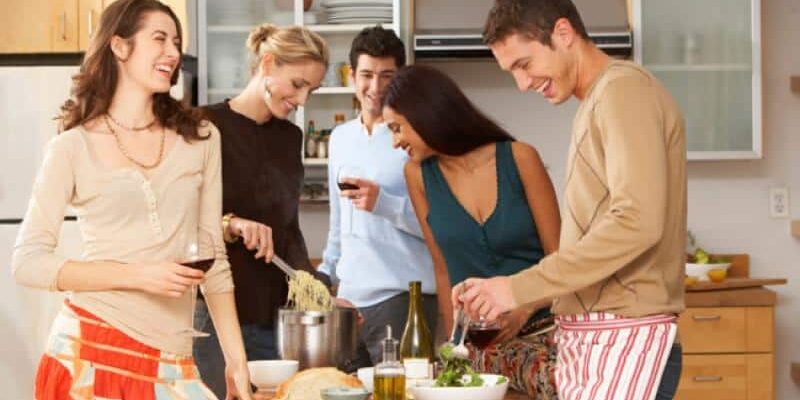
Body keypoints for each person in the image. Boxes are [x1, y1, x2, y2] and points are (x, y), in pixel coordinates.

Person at [11, 0, 253, 398]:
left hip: (173, 359)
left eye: (176, 42)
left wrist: (236, 361)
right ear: (120, 47)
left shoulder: (201, 138)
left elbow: (213, 256)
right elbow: (28, 262)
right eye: (159, 38)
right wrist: (140, 274)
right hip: (90, 353)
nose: (173, 53)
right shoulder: (72, 147)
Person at [455, 1, 687, 399]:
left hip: (625, 339)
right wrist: (520, 298)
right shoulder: (596, 102)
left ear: (563, 34)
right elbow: (595, 247)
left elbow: (637, 221)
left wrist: (515, 288)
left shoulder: (623, 90)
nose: (522, 83)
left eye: (524, 64)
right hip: (601, 341)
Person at [382, 65, 561, 398]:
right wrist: (452, 351)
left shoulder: (520, 159)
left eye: (397, 128)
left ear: (425, 114)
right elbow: (443, 268)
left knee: (568, 376)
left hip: (546, 328)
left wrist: (521, 310)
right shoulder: (418, 175)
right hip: (481, 342)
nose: (395, 142)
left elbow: (561, 262)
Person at [191, 24, 335, 397]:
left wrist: (321, 289)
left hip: (275, 318)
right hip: (212, 317)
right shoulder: (202, 126)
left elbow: (287, 230)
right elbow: (179, 222)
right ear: (267, 64)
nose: (302, 100)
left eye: (312, 90)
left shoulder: (290, 138)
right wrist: (231, 224)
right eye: (297, 84)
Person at [317, 26, 438, 369]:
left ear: (402, 77)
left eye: (388, 76)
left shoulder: (419, 136)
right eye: (367, 75)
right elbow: (337, 222)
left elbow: (438, 226)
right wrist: (327, 278)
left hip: (403, 298)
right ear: (352, 76)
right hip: (350, 301)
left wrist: (383, 203)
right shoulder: (340, 138)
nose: (376, 87)